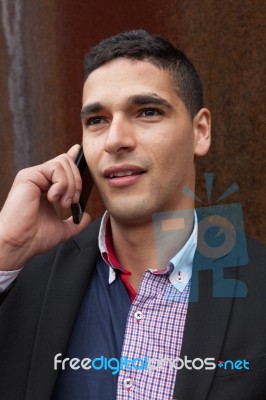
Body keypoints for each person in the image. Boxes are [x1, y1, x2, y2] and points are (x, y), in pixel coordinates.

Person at [0, 30, 265, 400]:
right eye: (97, 120)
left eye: (148, 112)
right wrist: (7, 249)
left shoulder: (257, 280)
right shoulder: (24, 276)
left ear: (199, 131)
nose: (115, 139)